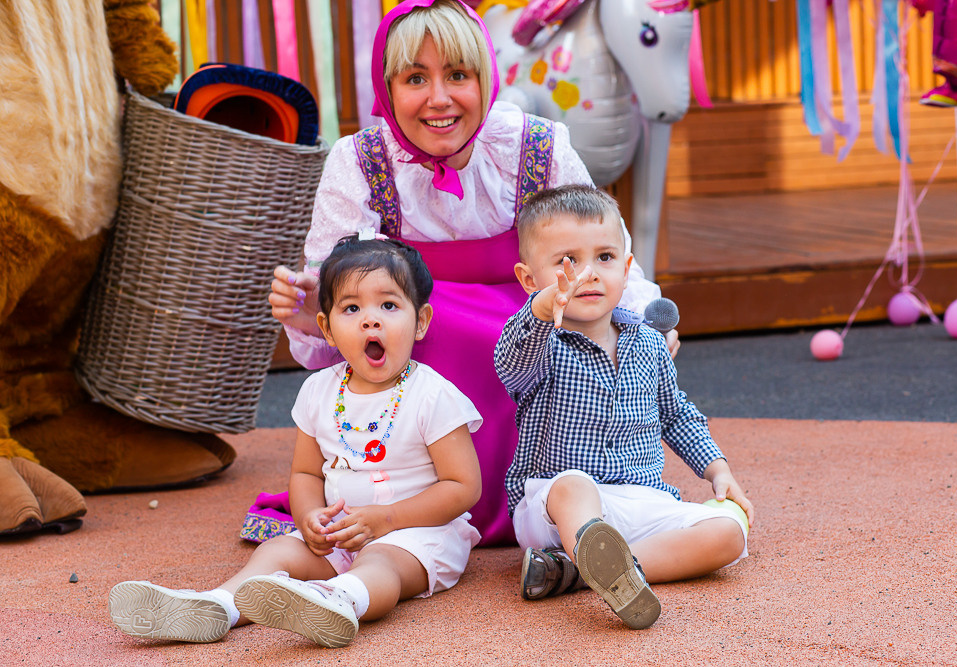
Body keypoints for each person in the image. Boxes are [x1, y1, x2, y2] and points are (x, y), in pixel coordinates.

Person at [268, 0, 668, 546]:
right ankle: (416, 501)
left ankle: (570, 499)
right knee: (411, 318)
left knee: (548, 330)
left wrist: (645, 322)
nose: (439, 99)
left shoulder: (538, 144)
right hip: (423, 327)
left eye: (458, 75)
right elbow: (344, 295)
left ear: (487, 77)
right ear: (386, 89)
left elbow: (603, 249)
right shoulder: (358, 160)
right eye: (415, 78)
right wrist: (315, 307)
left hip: (536, 321)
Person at [109, 234, 483, 648]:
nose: (370, 320)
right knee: (278, 551)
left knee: (381, 562)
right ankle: (217, 606)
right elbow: (305, 472)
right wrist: (309, 519)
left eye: (389, 305)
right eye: (352, 307)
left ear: (421, 321)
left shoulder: (433, 395)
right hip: (341, 534)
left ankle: (341, 600)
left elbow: (463, 486)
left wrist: (386, 520)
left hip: (419, 535)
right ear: (326, 327)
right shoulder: (319, 392)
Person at [494, 185, 754, 630]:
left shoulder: (649, 344)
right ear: (529, 279)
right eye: (566, 262)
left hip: (641, 501)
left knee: (729, 533)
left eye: (606, 258)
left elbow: (677, 414)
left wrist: (717, 470)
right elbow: (509, 363)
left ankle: (585, 572)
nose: (589, 274)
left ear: (627, 269)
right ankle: (590, 554)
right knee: (574, 486)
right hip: (555, 505)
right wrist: (540, 310)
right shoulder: (540, 344)